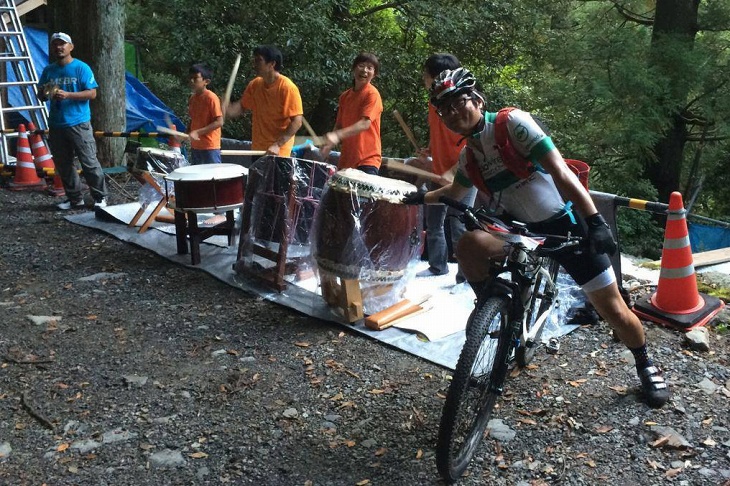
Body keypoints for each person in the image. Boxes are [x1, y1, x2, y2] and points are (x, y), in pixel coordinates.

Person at [403, 68, 670, 408]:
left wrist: (595, 221)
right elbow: (457, 191)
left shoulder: (512, 123)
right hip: (517, 230)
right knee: (469, 245)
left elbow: (560, 171)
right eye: (444, 111)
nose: (452, 114)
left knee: (614, 310)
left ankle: (644, 361)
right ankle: (490, 307)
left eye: (458, 104)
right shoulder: (469, 156)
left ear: (477, 99)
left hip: (564, 225)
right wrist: (419, 198)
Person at [411, 54, 477, 281]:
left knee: (459, 224)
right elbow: (438, 133)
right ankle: (438, 266)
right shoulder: (434, 103)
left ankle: (466, 274)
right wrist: (429, 150)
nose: (423, 78)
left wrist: (452, 171)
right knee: (434, 222)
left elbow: (473, 142)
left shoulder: (465, 103)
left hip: (464, 173)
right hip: (437, 170)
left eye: (425, 73)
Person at [38, 32, 107, 210]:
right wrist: (46, 93)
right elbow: (41, 95)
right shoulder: (49, 70)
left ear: (71, 47)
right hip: (56, 123)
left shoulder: (81, 68)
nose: (59, 47)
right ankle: (75, 198)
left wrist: (68, 95)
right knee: (64, 164)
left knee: (89, 162)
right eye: (55, 44)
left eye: (63, 44)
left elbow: (92, 93)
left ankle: (100, 197)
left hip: (78, 122)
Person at [224, 45, 302, 157]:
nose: (254, 64)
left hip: (278, 152)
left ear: (272, 64)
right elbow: (241, 107)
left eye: (258, 60)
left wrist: (277, 145)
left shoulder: (287, 88)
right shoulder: (255, 85)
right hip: (257, 149)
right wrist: (227, 110)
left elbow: (297, 122)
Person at [320, 53, 383, 175]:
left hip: (367, 161)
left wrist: (337, 135)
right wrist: (329, 144)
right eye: (361, 65)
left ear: (374, 74)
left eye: (369, 68)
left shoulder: (372, 94)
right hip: (346, 161)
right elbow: (339, 125)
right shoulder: (345, 97)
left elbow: (365, 123)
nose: (364, 70)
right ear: (354, 68)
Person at [187, 63, 223, 165]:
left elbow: (219, 122)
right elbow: (193, 119)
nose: (191, 81)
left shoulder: (211, 98)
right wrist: (186, 133)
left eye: (195, 78)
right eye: (190, 78)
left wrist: (197, 132)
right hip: (195, 147)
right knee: (198, 179)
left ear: (206, 81)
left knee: (213, 178)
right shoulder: (192, 99)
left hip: (210, 147)